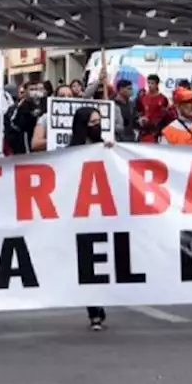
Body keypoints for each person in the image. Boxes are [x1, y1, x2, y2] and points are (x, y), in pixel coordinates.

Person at [69, 106, 113, 331]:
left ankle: (98, 305)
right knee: (87, 263)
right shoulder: (70, 152)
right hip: (80, 216)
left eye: (99, 122)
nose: (97, 126)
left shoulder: (105, 146)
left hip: (102, 212)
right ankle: (94, 310)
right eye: (92, 123)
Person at [30, 85, 75, 151]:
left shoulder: (80, 117)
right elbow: (35, 144)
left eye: (70, 96)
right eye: (62, 96)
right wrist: (58, 140)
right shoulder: (45, 118)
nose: (66, 98)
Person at [134, 74, 170, 143]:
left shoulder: (163, 99)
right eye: (148, 83)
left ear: (157, 85)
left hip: (156, 132)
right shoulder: (142, 97)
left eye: (152, 83)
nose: (150, 85)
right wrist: (140, 119)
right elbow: (138, 111)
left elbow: (164, 116)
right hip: (143, 132)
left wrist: (154, 123)